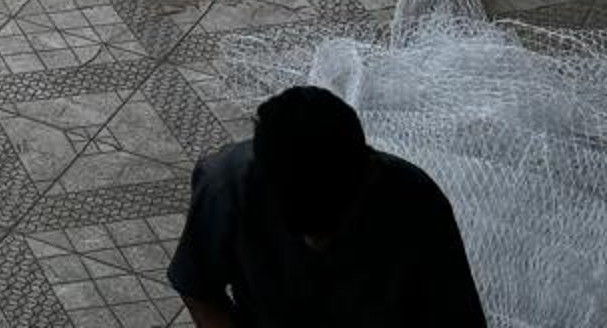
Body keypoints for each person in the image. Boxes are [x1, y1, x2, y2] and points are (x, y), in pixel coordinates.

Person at [167, 83, 485, 326]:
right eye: (301, 228)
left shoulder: (417, 205)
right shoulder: (226, 187)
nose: (318, 243)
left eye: (331, 224)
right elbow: (199, 288)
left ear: (368, 175)